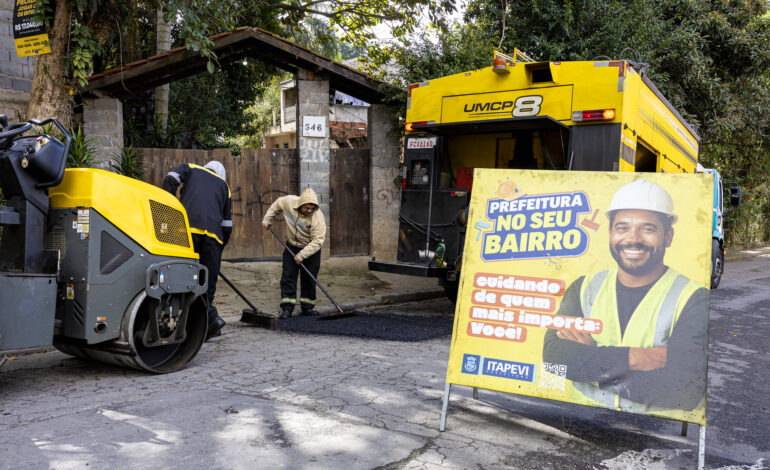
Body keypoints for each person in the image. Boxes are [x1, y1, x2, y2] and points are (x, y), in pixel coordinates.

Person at [542, 179, 708, 414]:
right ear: (610, 233)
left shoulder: (692, 298)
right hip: (581, 419)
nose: (633, 238)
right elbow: (553, 357)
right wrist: (635, 357)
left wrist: (590, 363)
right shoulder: (585, 287)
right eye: (622, 228)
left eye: (648, 228)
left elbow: (685, 390)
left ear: (668, 236)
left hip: (655, 430)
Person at [163, 161, 232, 340]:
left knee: (182, 275)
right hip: (213, 237)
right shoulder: (225, 186)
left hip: (188, 230)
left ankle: (199, 322)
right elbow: (227, 225)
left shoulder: (191, 168)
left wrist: (170, 208)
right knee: (206, 283)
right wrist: (218, 250)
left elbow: (171, 178)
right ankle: (209, 321)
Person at [262, 187, 326, 319]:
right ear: (301, 204)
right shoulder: (289, 202)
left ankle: (307, 307)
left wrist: (301, 255)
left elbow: (318, 241)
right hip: (292, 246)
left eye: (312, 208)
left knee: (309, 278)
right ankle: (287, 308)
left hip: (310, 249)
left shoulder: (317, 217)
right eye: (307, 208)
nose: (310, 210)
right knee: (288, 277)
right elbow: (277, 204)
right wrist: (267, 219)